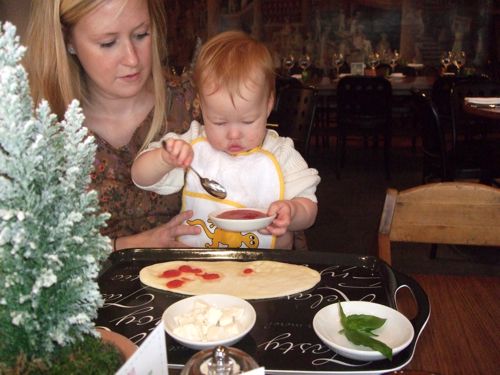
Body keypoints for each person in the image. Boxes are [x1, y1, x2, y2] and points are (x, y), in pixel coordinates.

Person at [24, 0, 202, 251]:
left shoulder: (193, 106)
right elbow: (33, 251)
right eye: (108, 43)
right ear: (68, 40)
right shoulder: (43, 132)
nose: (132, 59)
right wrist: (135, 244)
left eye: (141, 34)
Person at [131, 31, 320, 250]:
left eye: (248, 121)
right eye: (219, 122)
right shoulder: (194, 145)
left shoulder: (281, 154)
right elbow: (140, 177)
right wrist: (164, 159)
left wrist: (293, 211)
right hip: (199, 267)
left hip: (264, 270)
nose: (233, 135)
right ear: (202, 107)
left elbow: (309, 208)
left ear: (268, 104)